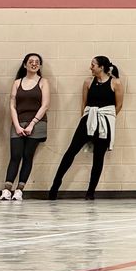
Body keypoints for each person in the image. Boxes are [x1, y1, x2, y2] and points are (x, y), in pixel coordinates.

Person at [49, 56, 123, 200]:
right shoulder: (88, 82)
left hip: (104, 122)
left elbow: (118, 105)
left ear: (101, 67)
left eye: (93, 65)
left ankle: (90, 192)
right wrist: (85, 118)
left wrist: (107, 117)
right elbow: (83, 103)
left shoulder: (115, 83)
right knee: (71, 152)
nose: (91, 67)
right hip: (88, 119)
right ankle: (55, 186)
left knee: (98, 158)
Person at [3, 53, 49, 201]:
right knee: (15, 156)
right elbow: (12, 105)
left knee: (27, 156)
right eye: (31, 61)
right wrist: (17, 125)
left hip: (37, 123)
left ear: (40, 65)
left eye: (37, 62)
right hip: (19, 122)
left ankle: (19, 190)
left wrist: (32, 124)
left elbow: (45, 105)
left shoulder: (43, 82)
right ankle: (6, 190)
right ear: (25, 65)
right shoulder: (17, 82)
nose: (34, 64)